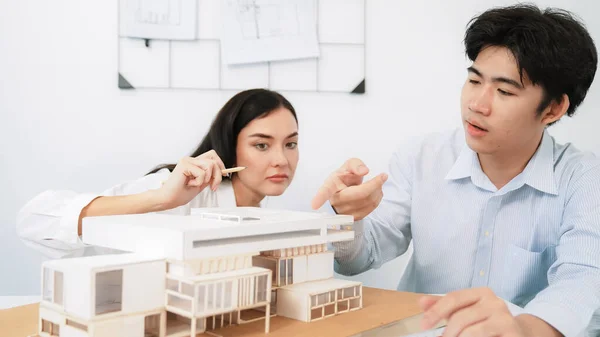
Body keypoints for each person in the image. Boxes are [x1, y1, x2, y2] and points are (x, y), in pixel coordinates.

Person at [312, 4, 599, 337]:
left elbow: (583, 281)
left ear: (552, 108)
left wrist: (521, 329)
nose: (477, 104)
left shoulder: (584, 179)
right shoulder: (421, 157)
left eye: (504, 91)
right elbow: (357, 259)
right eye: (474, 81)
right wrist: (348, 217)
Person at [17, 88, 300, 259]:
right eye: (261, 145)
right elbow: (33, 220)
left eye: (291, 144)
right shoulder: (179, 190)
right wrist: (161, 199)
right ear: (229, 144)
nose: (281, 160)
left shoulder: (263, 216)